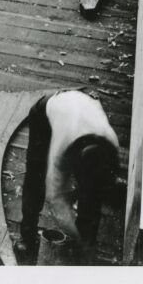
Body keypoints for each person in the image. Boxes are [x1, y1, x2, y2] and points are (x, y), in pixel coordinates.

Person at [16, 89, 120, 263]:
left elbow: (100, 188)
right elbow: (55, 198)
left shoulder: (111, 144)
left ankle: (83, 252)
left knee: (92, 197)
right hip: (46, 112)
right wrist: (76, 236)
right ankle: (27, 237)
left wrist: (87, 244)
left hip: (80, 111)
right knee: (36, 177)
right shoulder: (62, 149)